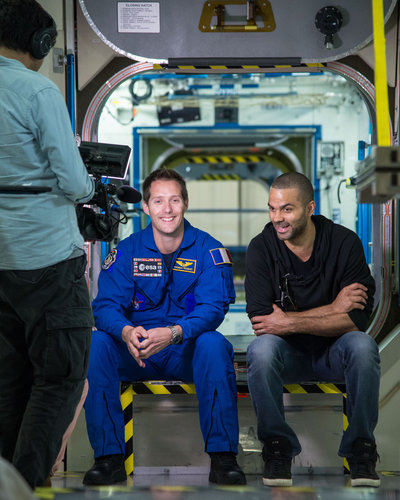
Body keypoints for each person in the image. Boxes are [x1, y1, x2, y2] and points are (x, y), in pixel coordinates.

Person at [83, 167, 246, 486]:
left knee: (213, 344)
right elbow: (104, 308)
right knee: (97, 343)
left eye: (174, 200)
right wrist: (127, 332)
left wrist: (173, 334)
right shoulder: (128, 252)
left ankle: (223, 458)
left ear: (186, 203)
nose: (166, 209)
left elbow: (213, 310)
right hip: (137, 351)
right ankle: (108, 459)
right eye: (158, 201)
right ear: (145, 207)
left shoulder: (209, 251)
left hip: (184, 352)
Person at [0, 0, 95, 489]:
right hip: (46, 261)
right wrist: (92, 189)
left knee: (8, 384)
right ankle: (27, 485)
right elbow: (75, 183)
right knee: (58, 378)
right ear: (40, 44)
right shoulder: (38, 90)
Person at [245, 172, 380, 488]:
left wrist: (290, 321)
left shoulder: (344, 243)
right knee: (260, 351)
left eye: (287, 209)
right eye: (272, 209)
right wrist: (334, 308)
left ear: (309, 208)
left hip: (335, 354)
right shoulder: (262, 249)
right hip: (287, 356)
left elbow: (356, 321)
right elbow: (263, 324)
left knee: (362, 346)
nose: (278, 218)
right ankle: (278, 448)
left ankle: (361, 450)